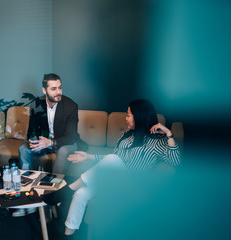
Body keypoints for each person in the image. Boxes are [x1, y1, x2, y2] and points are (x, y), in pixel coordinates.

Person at [42, 99, 181, 236]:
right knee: (81, 194)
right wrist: (89, 156)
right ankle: (68, 233)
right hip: (114, 180)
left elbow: (175, 162)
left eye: (128, 115)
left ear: (139, 116)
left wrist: (169, 134)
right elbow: (112, 159)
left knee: (112, 160)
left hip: (133, 185)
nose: (126, 118)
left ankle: (67, 190)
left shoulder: (158, 141)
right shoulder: (127, 136)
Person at [15, 73, 81, 217]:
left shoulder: (71, 106)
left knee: (63, 151)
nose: (58, 92)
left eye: (60, 88)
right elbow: (31, 130)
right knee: (23, 149)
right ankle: (28, 195)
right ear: (44, 90)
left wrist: (50, 142)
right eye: (53, 89)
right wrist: (34, 141)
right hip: (44, 142)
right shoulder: (36, 104)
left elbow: (70, 137)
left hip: (67, 143)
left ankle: (51, 197)